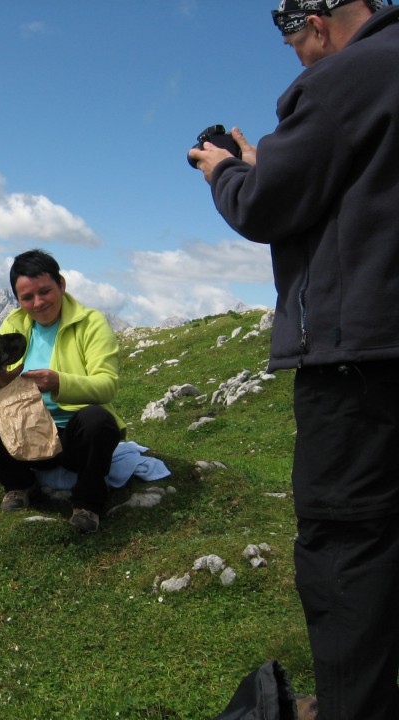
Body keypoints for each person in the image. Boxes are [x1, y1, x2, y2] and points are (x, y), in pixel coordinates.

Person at [189, 1, 399, 717]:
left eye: (292, 37)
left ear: (316, 20)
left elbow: (266, 208)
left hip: (360, 359)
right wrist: (271, 158)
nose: (297, 56)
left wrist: (225, 170)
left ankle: (352, 707)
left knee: (346, 548)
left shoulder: (344, 76)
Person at [0, 249, 125, 533]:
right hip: (28, 433)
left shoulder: (90, 323)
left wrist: (58, 383)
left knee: (97, 421)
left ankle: (87, 503)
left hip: (75, 438)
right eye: (27, 297)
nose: (38, 303)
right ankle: (19, 485)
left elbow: (107, 385)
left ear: (61, 285)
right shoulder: (14, 326)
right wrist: (0, 380)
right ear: (17, 300)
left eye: (45, 291)